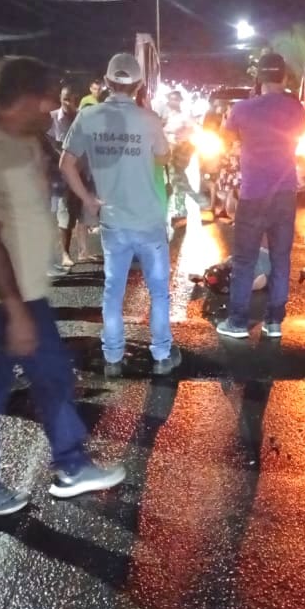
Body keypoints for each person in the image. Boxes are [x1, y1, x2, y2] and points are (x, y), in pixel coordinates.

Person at [0, 56, 126, 516]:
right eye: (45, 99)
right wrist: (16, 311)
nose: (51, 108)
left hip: (24, 290)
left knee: (52, 375)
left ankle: (72, 465)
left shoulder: (20, 138)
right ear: (23, 98)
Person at [60, 53, 182, 377]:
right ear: (139, 84)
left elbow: (66, 163)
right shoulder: (149, 119)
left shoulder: (88, 117)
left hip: (113, 221)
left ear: (108, 81)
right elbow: (163, 157)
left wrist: (88, 199)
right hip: (149, 221)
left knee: (113, 290)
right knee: (158, 291)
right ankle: (162, 354)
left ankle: (112, 356)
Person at [217, 52, 305, 339]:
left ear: (259, 78)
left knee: (244, 260)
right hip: (285, 193)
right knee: (281, 257)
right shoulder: (296, 109)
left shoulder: (242, 108)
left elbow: (225, 136)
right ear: (284, 77)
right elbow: (299, 136)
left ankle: (238, 322)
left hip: (253, 194)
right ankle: (274, 321)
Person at [48, 85, 89, 265]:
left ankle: (83, 250)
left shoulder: (83, 117)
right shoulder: (52, 118)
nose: (67, 103)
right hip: (62, 175)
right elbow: (50, 145)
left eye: (71, 99)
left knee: (79, 213)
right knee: (64, 213)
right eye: (64, 99)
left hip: (82, 173)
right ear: (60, 98)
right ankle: (65, 254)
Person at [162, 89, 194, 224]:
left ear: (180, 101)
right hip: (164, 151)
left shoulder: (185, 116)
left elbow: (190, 132)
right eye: (171, 99)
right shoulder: (164, 115)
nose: (173, 101)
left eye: (176, 99)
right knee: (165, 180)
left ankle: (180, 210)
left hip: (178, 152)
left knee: (178, 179)